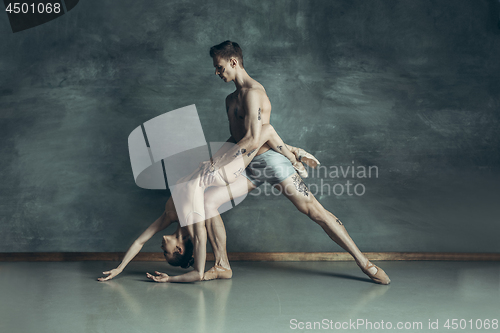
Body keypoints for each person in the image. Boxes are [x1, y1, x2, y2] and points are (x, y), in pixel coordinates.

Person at [148, 40, 390, 284]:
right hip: (246, 167)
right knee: (209, 201)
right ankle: (222, 265)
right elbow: (236, 138)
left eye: (219, 67)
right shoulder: (230, 100)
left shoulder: (255, 94)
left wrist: (219, 162)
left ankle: (364, 263)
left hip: (270, 162)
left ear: (233, 62)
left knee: (315, 211)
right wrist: (211, 161)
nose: (217, 72)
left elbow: (254, 139)